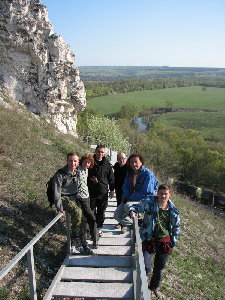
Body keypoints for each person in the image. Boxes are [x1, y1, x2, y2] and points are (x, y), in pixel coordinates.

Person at [129, 184, 180, 297]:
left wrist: (173, 242)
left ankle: (153, 287)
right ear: (157, 193)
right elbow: (136, 207)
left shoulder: (173, 210)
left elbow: (176, 227)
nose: (163, 196)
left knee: (159, 267)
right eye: (161, 193)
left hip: (165, 241)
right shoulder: (150, 202)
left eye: (165, 194)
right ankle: (140, 286)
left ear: (169, 195)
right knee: (145, 266)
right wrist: (132, 211)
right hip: (149, 238)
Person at [52, 152, 93, 255]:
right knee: (77, 212)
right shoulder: (61, 174)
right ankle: (75, 238)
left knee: (84, 220)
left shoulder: (77, 172)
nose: (73, 163)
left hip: (75, 197)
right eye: (70, 161)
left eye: (75, 161)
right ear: (67, 161)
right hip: (64, 198)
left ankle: (84, 245)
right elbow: (56, 191)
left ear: (78, 162)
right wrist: (59, 206)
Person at [114, 154, 158, 232]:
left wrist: (130, 198)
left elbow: (147, 193)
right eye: (131, 162)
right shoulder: (130, 173)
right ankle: (139, 223)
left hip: (145, 199)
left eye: (136, 162)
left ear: (141, 162)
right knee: (117, 215)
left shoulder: (148, 174)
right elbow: (125, 187)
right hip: (131, 199)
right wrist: (125, 198)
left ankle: (137, 225)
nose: (134, 164)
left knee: (128, 206)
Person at [87, 145, 115, 236]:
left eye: (102, 152)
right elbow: (84, 174)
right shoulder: (90, 162)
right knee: (91, 211)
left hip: (103, 192)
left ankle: (98, 228)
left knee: (101, 211)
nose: (100, 153)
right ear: (95, 151)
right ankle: (92, 227)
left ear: (105, 153)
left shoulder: (107, 164)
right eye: (98, 151)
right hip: (91, 191)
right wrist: (90, 178)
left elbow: (111, 177)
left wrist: (112, 190)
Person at [77, 154, 99, 248]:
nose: (86, 164)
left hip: (86, 196)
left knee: (86, 217)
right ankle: (95, 238)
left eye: (89, 162)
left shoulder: (86, 170)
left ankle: (89, 235)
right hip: (79, 197)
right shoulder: (77, 170)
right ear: (81, 161)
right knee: (91, 217)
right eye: (85, 161)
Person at [113, 152, 128, 228]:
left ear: (126, 158)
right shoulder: (116, 167)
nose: (121, 160)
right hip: (118, 189)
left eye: (123, 158)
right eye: (119, 159)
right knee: (119, 205)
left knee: (126, 206)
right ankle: (120, 222)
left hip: (127, 190)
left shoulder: (129, 168)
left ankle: (125, 224)